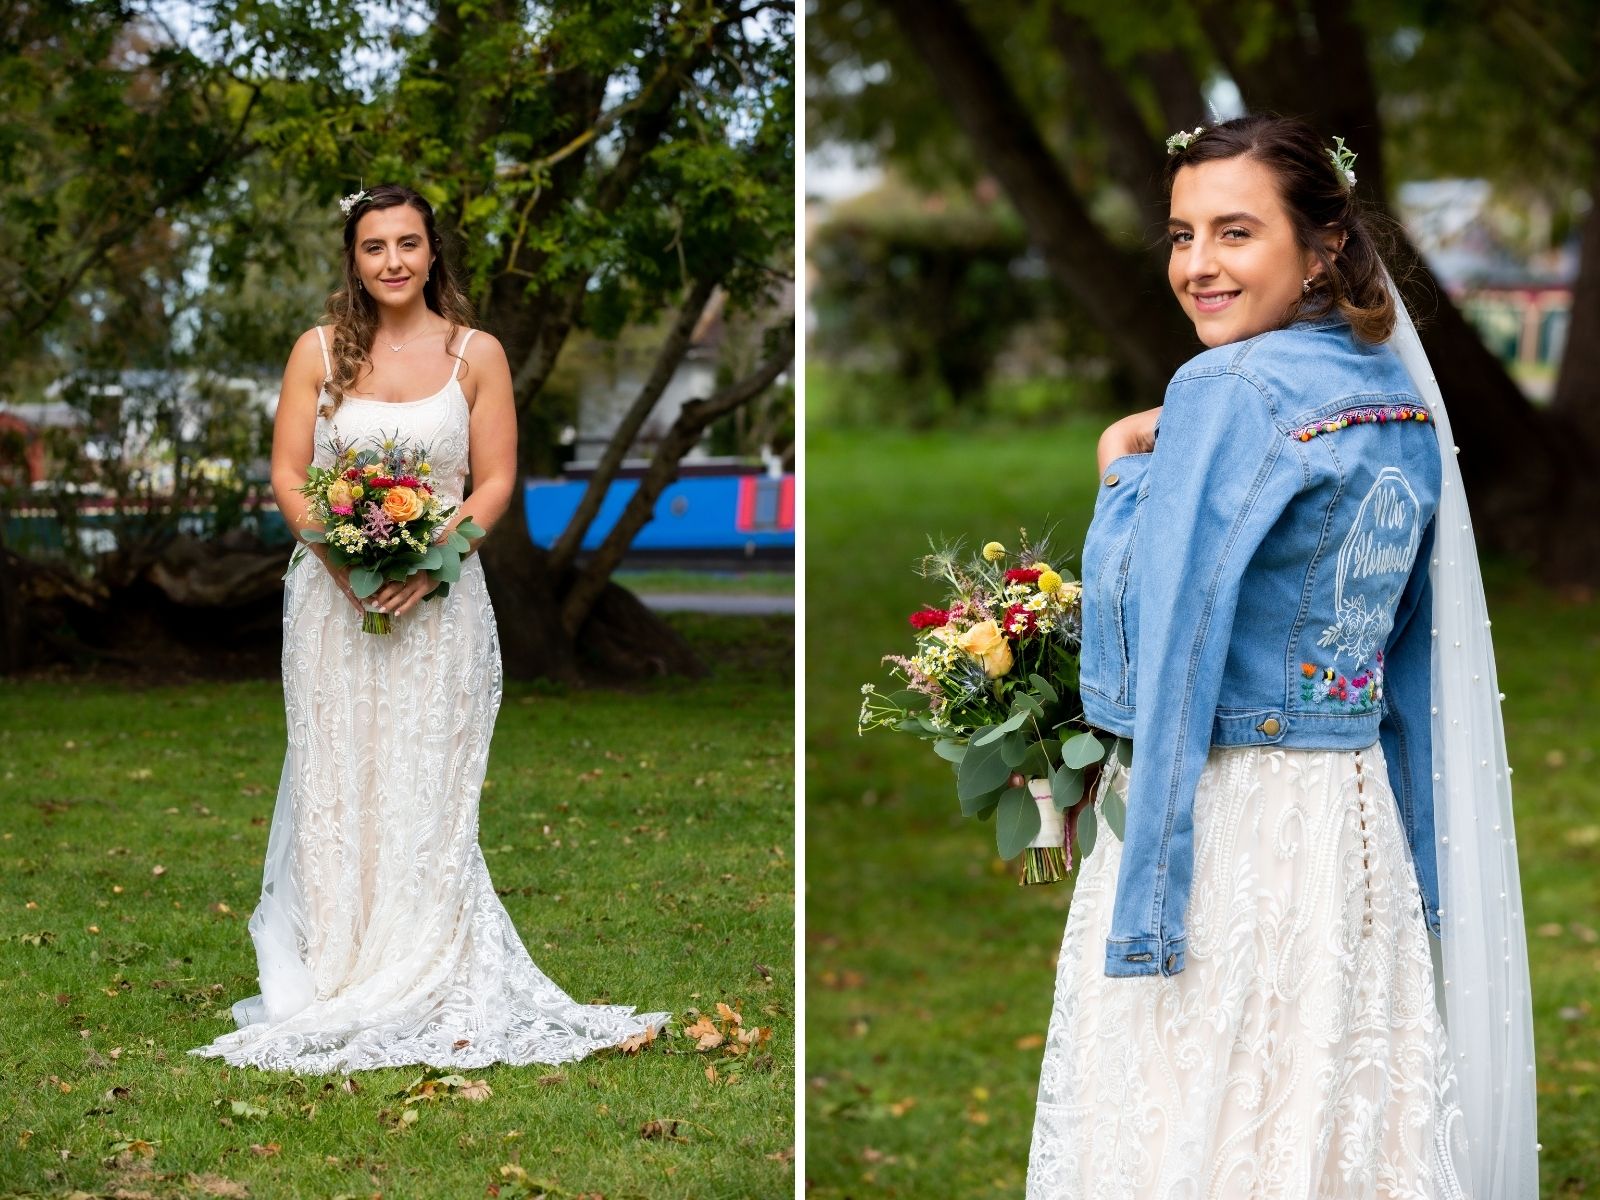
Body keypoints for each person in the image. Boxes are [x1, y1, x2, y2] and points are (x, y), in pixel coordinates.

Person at [1026, 115, 1536, 1198]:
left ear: (1320, 248)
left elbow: (1170, 645)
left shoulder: (1226, 393)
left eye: (1234, 232)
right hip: (1351, 827)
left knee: (1196, 1115)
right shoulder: (1396, 401)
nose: (1197, 265)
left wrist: (1118, 474)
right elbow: (1401, 659)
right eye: (1179, 234)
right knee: (1325, 1116)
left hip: (1220, 813)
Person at [189, 183, 669, 1073]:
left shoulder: (474, 354)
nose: (394, 262)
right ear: (354, 260)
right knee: (341, 778)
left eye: (409, 244)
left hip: (443, 606)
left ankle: (434, 967)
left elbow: (492, 484)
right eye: (375, 248)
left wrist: (429, 559)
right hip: (330, 609)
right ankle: (337, 970)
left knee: (426, 783)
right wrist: (338, 558)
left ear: (433, 252)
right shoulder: (318, 353)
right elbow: (291, 476)